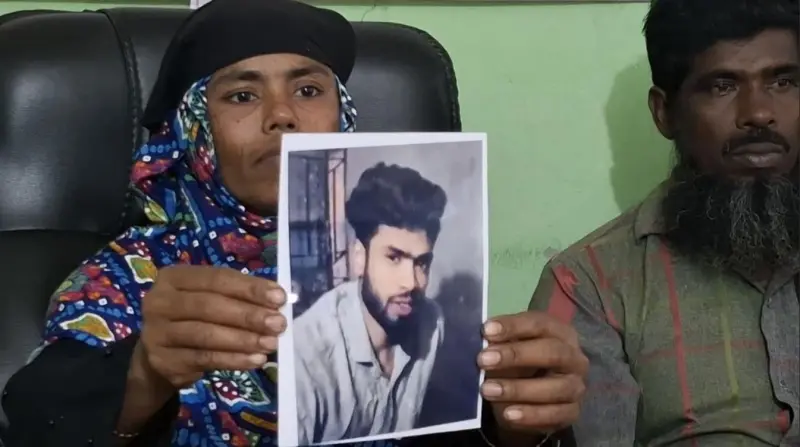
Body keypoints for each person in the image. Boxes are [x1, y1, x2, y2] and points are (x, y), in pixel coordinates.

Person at [1, 0, 588, 446]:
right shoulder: (128, 281)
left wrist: (516, 421)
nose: (282, 115)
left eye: (308, 90)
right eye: (241, 96)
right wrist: (147, 373)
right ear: (195, 131)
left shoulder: (401, 267)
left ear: (343, 117)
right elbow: (36, 423)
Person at [528, 0, 799, 445]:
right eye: (722, 86)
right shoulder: (589, 285)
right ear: (664, 113)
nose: (759, 113)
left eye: (784, 82)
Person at [293, 162, 448, 443]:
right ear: (359, 258)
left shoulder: (432, 324)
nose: (411, 282)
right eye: (394, 257)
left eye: (422, 263)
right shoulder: (304, 354)